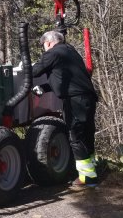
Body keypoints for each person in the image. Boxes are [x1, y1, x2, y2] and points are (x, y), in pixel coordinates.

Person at [31, 30, 99, 188]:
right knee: (87, 134)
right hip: (87, 98)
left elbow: (35, 71)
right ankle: (92, 170)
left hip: (75, 100)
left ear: (48, 43)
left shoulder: (53, 52)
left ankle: (87, 178)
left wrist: (26, 63)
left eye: (44, 46)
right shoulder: (70, 51)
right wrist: (44, 88)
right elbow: (65, 79)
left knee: (76, 136)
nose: (44, 49)